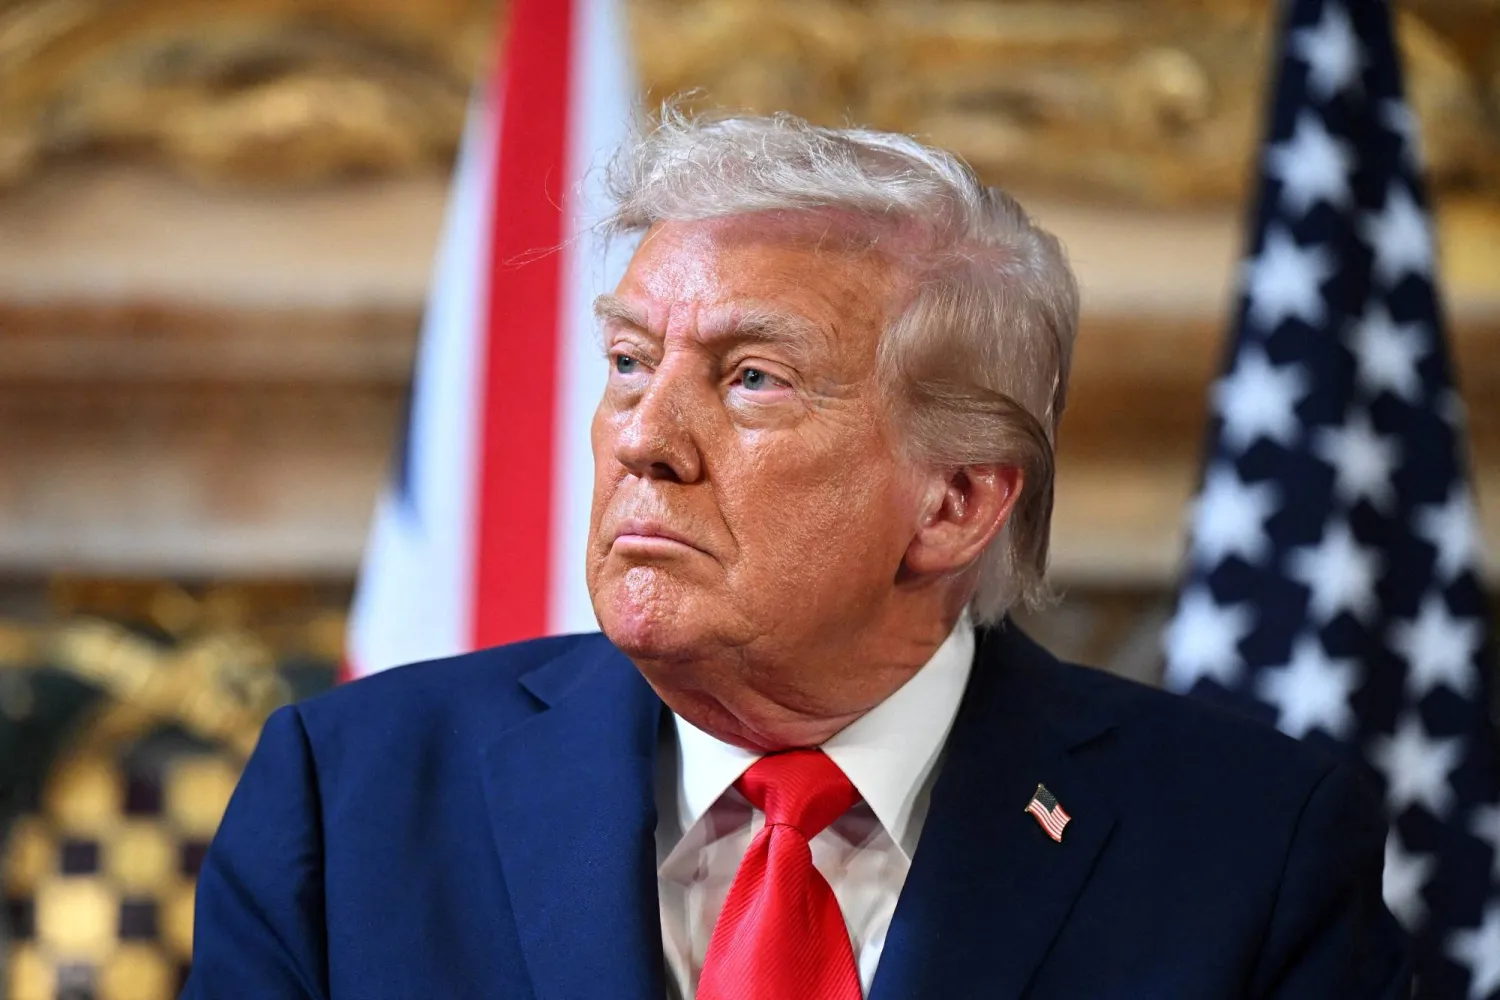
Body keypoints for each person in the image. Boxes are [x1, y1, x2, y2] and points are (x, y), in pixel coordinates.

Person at [183, 112, 1409, 999]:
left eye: (752, 378)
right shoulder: (347, 799)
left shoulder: (1251, 849)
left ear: (958, 501)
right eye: (626, 362)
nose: (643, 439)